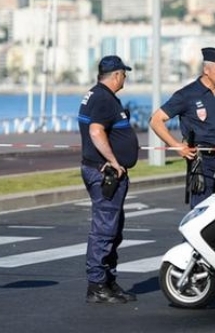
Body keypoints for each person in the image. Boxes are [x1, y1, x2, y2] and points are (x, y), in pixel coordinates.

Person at [79, 55, 139, 305]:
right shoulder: (103, 98)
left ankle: (108, 281)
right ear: (115, 75)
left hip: (101, 170)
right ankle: (97, 285)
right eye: (124, 73)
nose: (125, 77)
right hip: (105, 172)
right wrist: (113, 160)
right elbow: (95, 130)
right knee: (105, 230)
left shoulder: (96, 95)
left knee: (113, 229)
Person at [149, 47, 215, 209]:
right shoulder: (186, 95)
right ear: (206, 70)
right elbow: (156, 120)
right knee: (201, 213)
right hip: (203, 162)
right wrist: (176, 146)